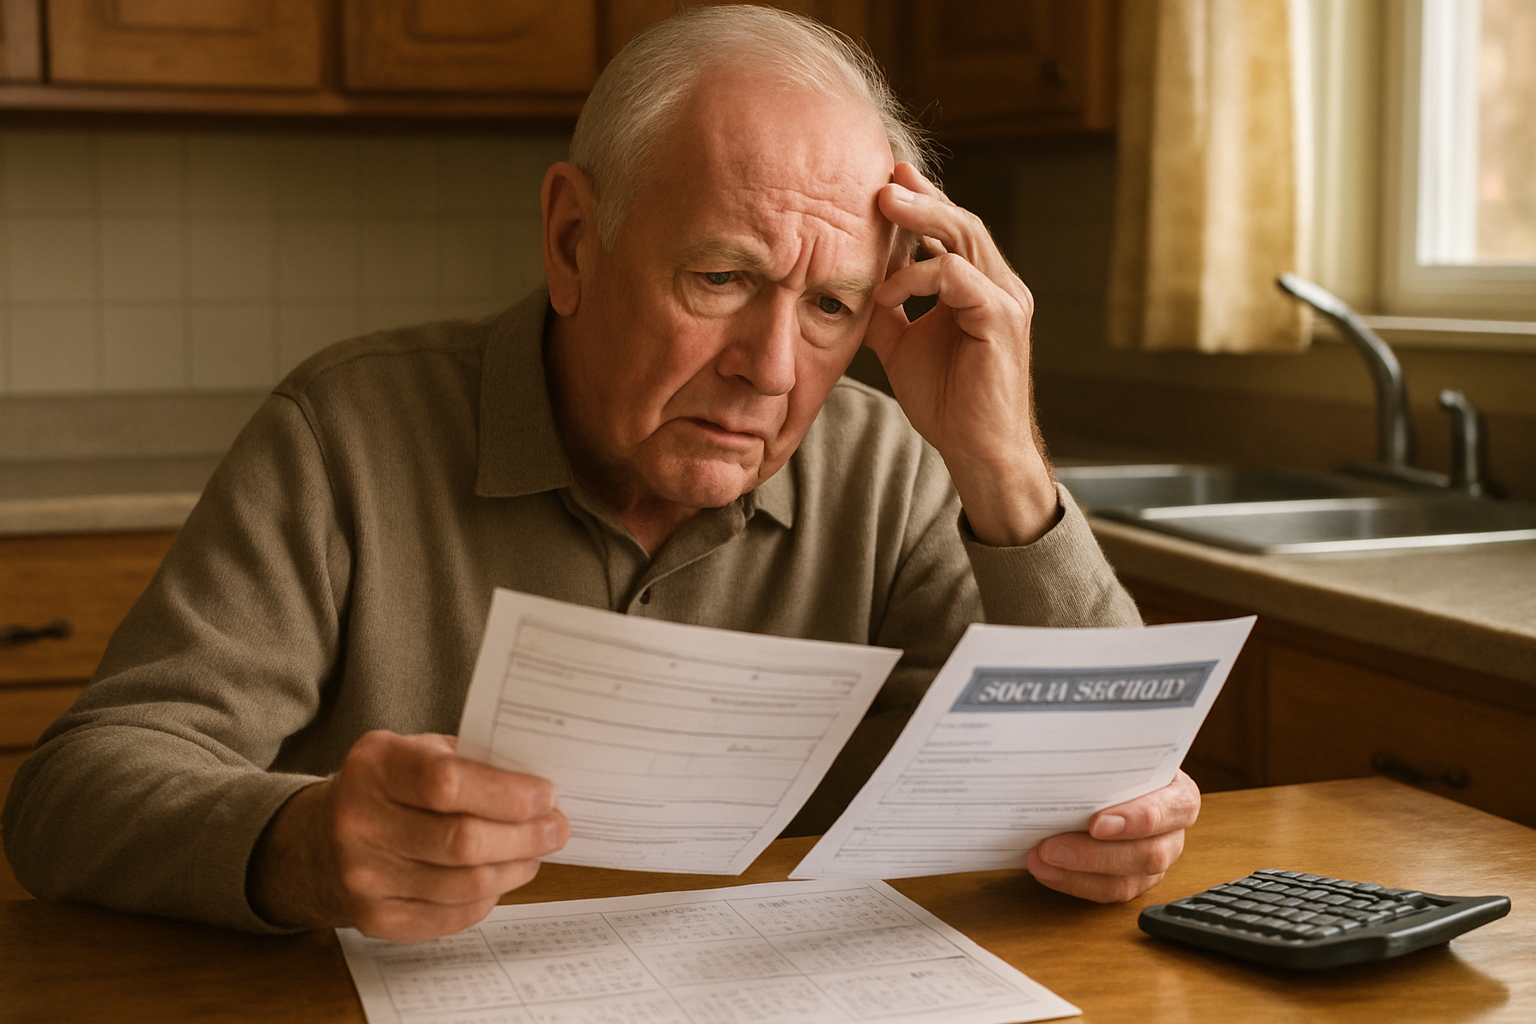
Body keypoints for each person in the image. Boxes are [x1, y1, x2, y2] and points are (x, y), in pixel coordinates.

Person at [3, 6, 1198, 944]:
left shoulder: (894, 468)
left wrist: (1001, 458)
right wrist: (300, 844)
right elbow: (71, 795)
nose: (772, 368)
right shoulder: (346, 432)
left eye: (832, 306)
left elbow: (1094, 782)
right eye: (721, 278)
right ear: (574, 240)